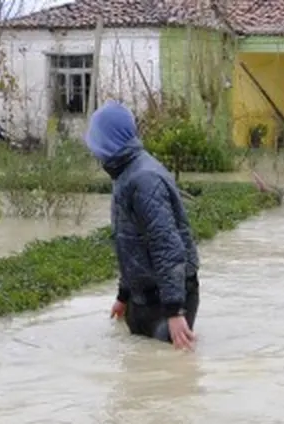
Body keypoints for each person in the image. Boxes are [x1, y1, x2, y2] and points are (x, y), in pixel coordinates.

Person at [85, 100, 199, 350]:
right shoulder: (124, 175)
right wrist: (123, 296)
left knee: (170, 368)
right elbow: (131, 245)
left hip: (166, 297)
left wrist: (175, 311)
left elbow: (166, 245)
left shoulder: (144, 179)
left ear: (108, 141)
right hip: (144, 295)